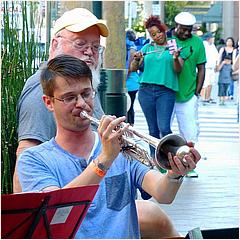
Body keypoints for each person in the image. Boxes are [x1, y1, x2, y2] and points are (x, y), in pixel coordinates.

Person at [13, 8, 181, 239]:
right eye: (81, 44)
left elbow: (164, 193)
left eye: (95, 47)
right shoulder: (37, 150)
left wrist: (174, 172)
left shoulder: (118, 150)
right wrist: (104, 160)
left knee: (159, 219)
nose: (81, 104)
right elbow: (52, 210)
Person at [130, 15, 183, 174]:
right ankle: (156, 162)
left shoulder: (173, 45)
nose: (157, 35)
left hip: (165, 91)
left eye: (159, 32)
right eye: (153, 34)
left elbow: (178, 69)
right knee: (152, 130)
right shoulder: (147, 48)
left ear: (164, 30)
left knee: (164, 128)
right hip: (146, 90)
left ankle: (169, 160)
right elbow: (134, 68)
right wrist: (136, 59)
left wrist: (175, 57)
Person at [167, 12, 206, 178]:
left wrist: (197, 91)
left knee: (189, 131)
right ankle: (165, 163)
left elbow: (201, 68)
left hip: (188, 94)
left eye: (189, 30)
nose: (186, 33)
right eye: (183, 29)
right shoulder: (168, 40)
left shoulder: (197, 43)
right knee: (163, 129)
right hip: (167, 93)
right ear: (176, 27)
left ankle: (189, 164)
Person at [125, 29, 140, 125]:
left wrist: (123, 80)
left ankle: (130, 126)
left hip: (130, 83)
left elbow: (130, 67)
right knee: (129, 107)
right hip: (132, 83)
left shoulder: (131, 49)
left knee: (128, 107)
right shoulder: (132, 47)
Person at [200, 32, 219, 104]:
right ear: (209, 38)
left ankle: (208, 97)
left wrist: (217, 64)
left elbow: (216, 56)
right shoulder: (204, 45)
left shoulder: (212, 45)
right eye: (212, 38)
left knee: (211, 83)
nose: (213, 39)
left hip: (212, 67)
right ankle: (203, 97)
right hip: (206, 67)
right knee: (205, 83)